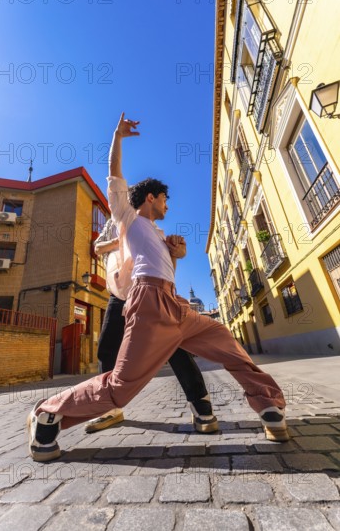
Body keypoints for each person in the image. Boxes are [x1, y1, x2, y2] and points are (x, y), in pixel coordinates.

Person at [27, 113, 289, 463]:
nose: (168, 205)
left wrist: (176, 254)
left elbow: (168, 269)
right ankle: (48, 415)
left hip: (174, 303)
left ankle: (269, 406)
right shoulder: (129, 218)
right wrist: (117, 136)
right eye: (165, 199)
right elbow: (115, 174)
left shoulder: (159, 234)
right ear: (151, 197)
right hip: (147, 302)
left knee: (228, 346)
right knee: (122, 384)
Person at [85, 217, 218, 434]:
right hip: (118, 294)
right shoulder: (111, 224)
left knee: (173, 344)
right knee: (107, 348)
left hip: (149, 291)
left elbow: (173, 253)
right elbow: (97, 247)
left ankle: (200, 402)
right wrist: (120, 241)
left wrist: (178, 249)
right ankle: (110, 408)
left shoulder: (147, 224)